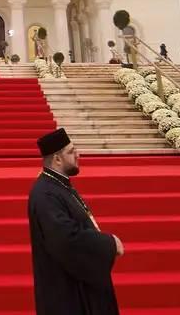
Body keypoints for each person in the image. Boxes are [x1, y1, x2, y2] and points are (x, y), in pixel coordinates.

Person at [28, 128, 122, 315]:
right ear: (57, 159)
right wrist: (109, 244)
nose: (78, 155)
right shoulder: (46, 193)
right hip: (66, 291)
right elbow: (65, 239)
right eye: (71, 151)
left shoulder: (58, 184)